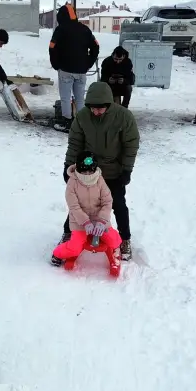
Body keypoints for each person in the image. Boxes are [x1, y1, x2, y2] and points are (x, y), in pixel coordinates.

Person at [62, 82, 141, 260]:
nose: (96, 112)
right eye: (93, 108)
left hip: (113, 170)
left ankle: (125, 238)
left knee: (118, 204)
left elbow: (131, 145)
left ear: (109, 104)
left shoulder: (124, 117)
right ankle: (69, 233)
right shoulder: (82, 117)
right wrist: (68, 165)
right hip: (87, 172)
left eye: (100, 109)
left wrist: (126, 170)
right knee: (79, 204)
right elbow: (75, 143)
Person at [51, 151, 122, 270]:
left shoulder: (99, 180)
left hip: (99, 221)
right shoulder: (72, 183)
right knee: (74, 247)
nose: (88, 174)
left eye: (90, 171)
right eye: (84, 171)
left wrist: (102, 220)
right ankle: (57, 253)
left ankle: (114, 249)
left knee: (114, 241)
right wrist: (85, 222)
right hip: (79, 222)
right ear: (78, 169)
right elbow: (73, 206)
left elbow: (107, 201)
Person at [49, 3, 101, 127]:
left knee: (65, 97)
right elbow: (96, 46)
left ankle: (66, 121)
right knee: (79, 98)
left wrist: (56, 64)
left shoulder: (60, 30)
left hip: (65, 70)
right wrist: (88, 63)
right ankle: (82, 122)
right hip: (81, 70)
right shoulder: (84, 29)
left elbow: (52, 47)